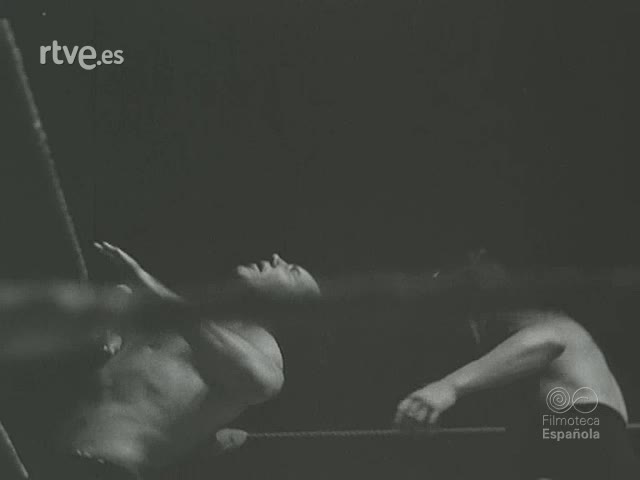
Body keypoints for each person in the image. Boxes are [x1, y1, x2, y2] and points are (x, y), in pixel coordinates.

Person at [56, 242, 320, 479]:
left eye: (292, 271)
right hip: (54, 454)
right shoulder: (192, 324)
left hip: (105, 468)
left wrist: (144, 280)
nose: (276, 257)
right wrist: (113, 326)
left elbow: (261, 383)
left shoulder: (262, 347)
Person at [394, 259, 639, 479]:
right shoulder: (564, 372)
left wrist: (449, 386)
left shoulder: (549, 323)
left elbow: (548, 341)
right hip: (585, 439)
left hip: (581, 433)